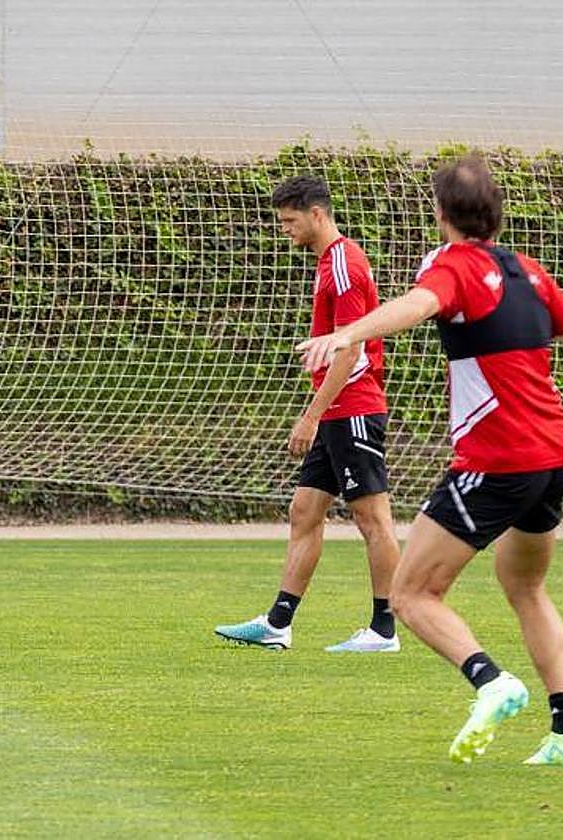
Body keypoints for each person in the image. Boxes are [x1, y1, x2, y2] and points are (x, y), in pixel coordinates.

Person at [298, 155, 563, 766]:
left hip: (496, 462)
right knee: (525, 586)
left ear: (441, 214)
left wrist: (348, 333)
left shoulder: (454, 267)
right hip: (554, 459)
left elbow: (418, 305)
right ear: (496, 214)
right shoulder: (529, 272)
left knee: (411, 594)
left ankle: (490, 681)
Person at [215, 176, 401, 652]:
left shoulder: (343, 265)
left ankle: (385, 630)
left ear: (317, 215)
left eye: (290, 220)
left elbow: (351, 349)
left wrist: (312, 415)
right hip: (337, 409)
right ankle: (278, 623)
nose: (285, 229)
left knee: (372, 518)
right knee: (305, 511)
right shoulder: (330, 262)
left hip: (352, 408)